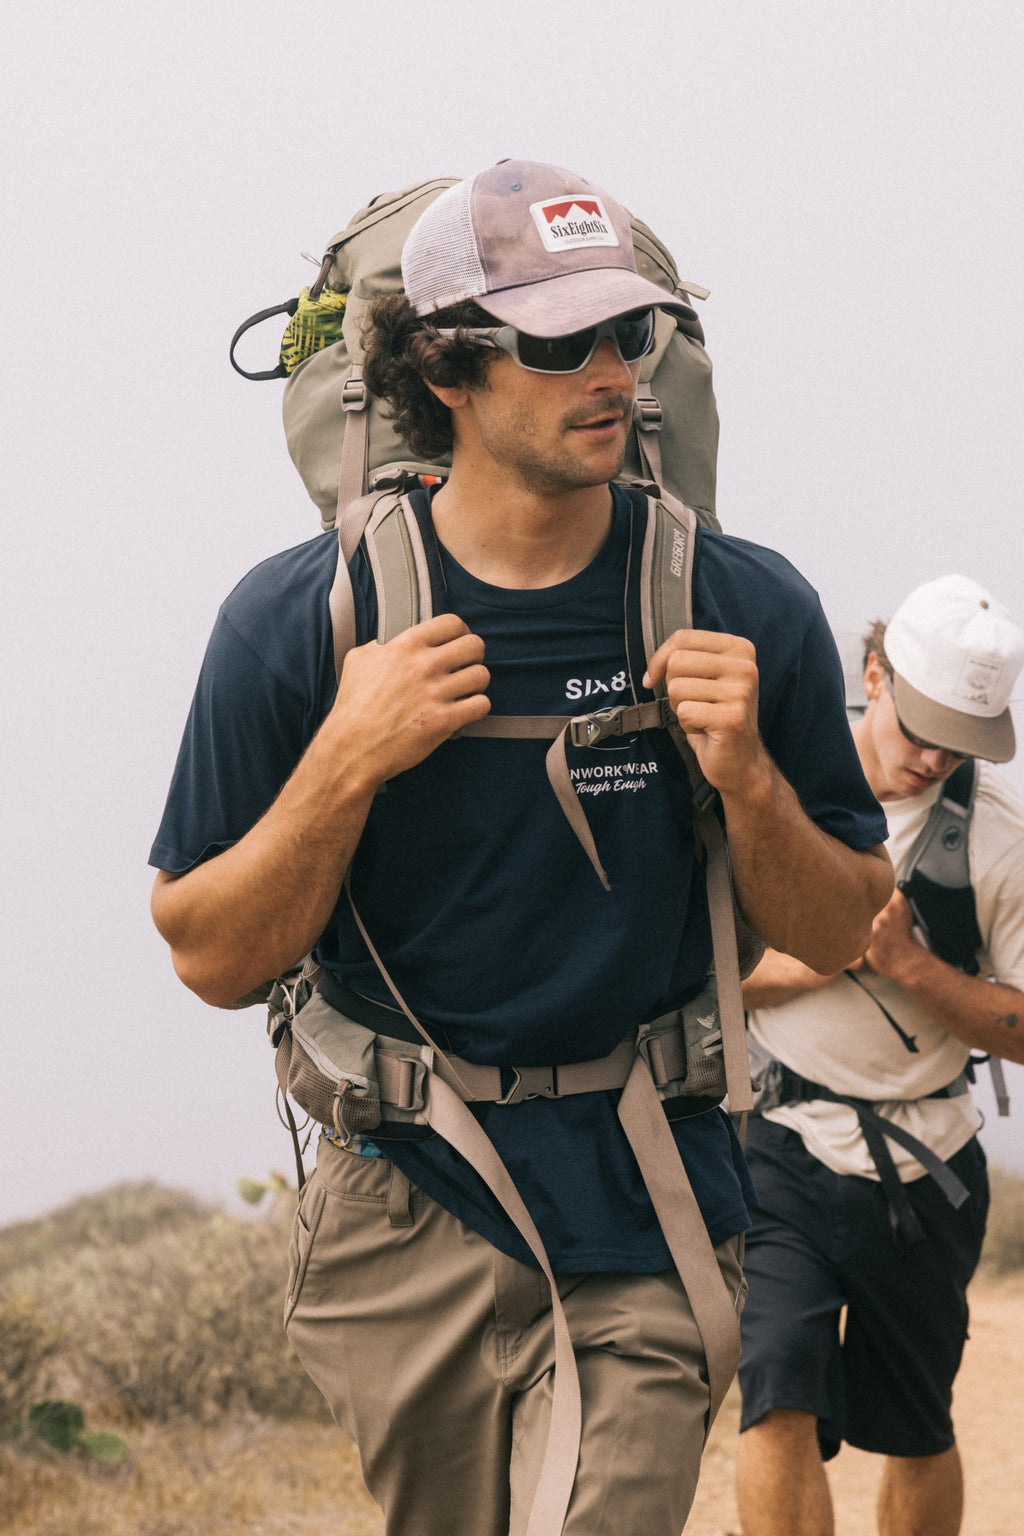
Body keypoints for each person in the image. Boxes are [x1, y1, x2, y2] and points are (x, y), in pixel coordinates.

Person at [149, 159, 892, 1536]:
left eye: (630, 332)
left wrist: (748, 783)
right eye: (558, 344)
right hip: (400, 1206)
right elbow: (209, 955)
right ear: (443, 369)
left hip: (647, 1189)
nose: (610, 372)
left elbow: (844, 926)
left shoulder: (739, 606)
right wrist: (346, 758)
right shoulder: (303, 621)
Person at [736, 573, 1024, 1536]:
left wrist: (909, 965)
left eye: (961, 742)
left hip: (927, 1160)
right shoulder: (776, 791)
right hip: (777, 1143)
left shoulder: (998, 838)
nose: (934, 757)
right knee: (775, 1395)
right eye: (924, 728)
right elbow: (689, 970)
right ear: (873, 676)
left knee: (916, 1426)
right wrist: (808, 960)